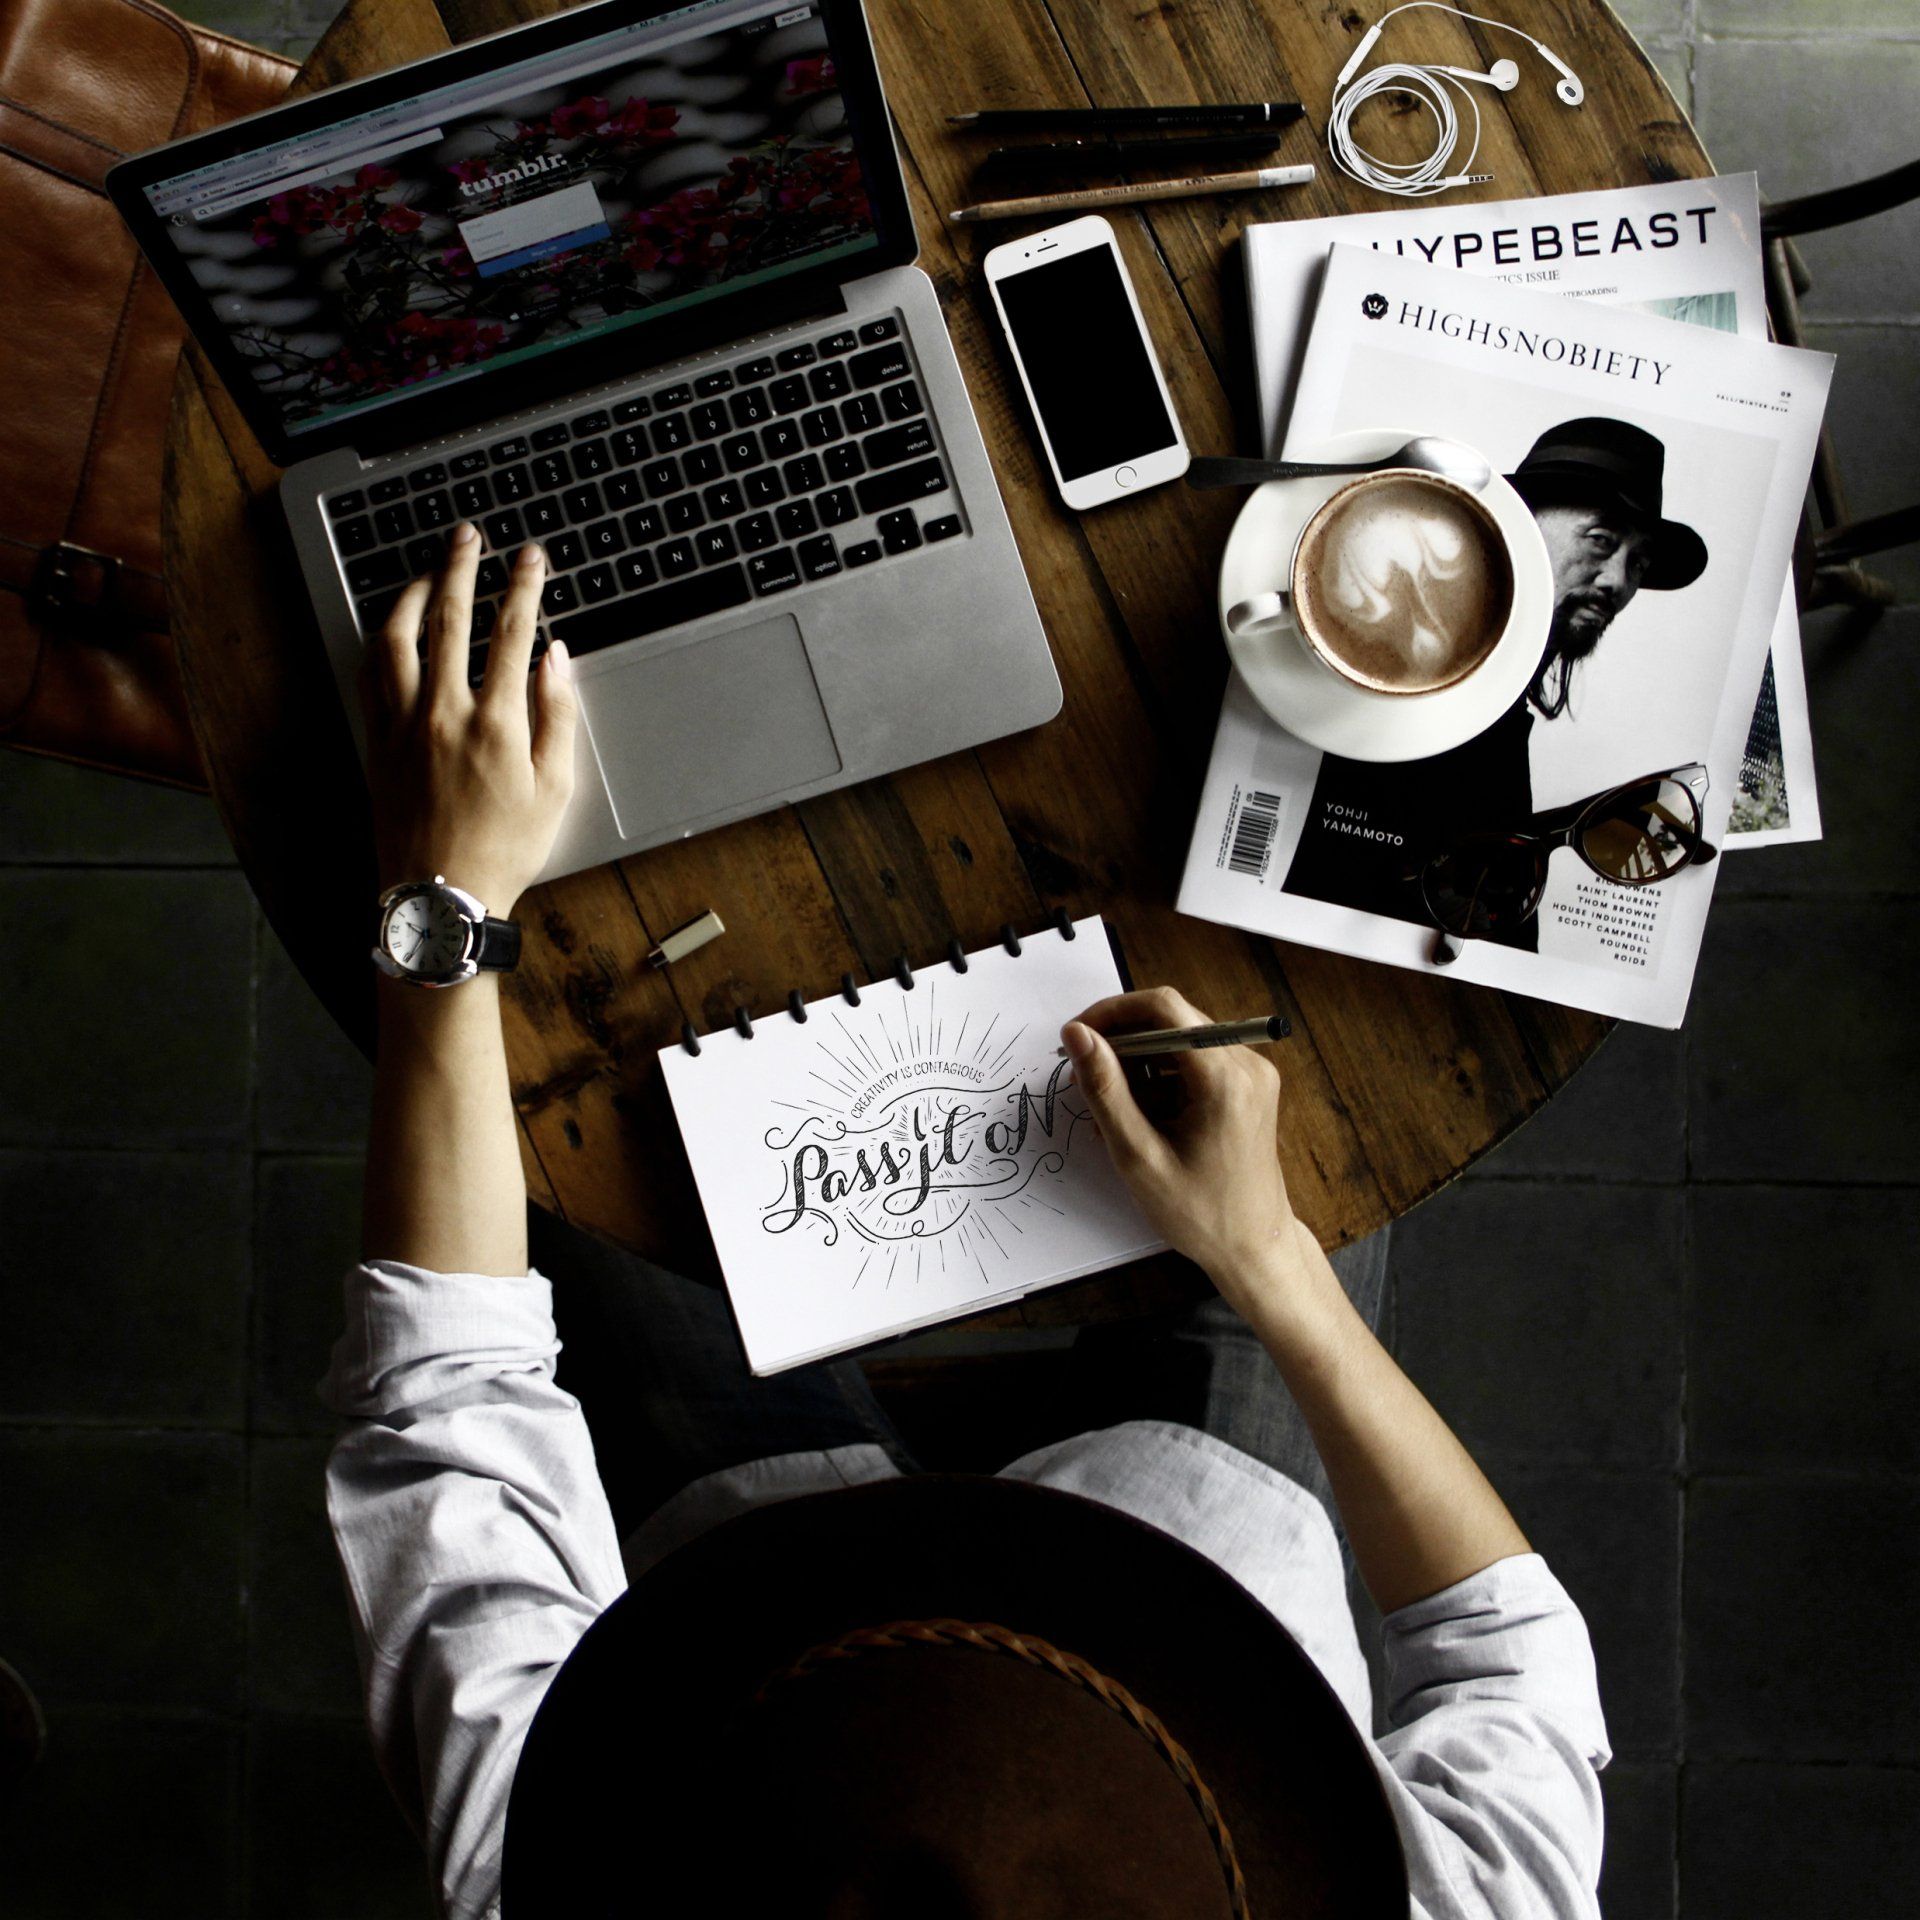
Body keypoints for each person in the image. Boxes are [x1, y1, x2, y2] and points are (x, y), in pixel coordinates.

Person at [325, 525, 1611, 1917]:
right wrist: (1267, 1260)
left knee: (577, 1119)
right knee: (1311, 1014)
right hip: (1207, 1525)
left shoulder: (549, 1868)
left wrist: (445, 909)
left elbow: (447, 1398)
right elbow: (1504, 1651)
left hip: (744, 1559)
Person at [1279, 416, 1709, 951]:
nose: (1620, 582)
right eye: (1601, 540)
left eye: (1639, 561)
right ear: (1521, 522)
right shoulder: (1417, 682)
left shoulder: (1504, 717)